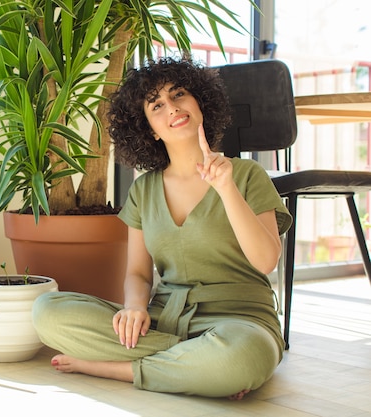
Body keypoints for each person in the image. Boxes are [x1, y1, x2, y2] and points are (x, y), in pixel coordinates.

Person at [31, 55, 292, 400]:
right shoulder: (143, 189)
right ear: (149, 129)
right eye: (157, 105)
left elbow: (266, 261)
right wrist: (135, 307)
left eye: (179, 94)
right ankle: (196, 365)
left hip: (239, 322)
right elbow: (138, 274)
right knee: (47, 311)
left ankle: (120, 368)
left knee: (242, 355)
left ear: (200, 102)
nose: (171, 106)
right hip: (163, 319)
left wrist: (226, 188)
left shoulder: (245, 175)